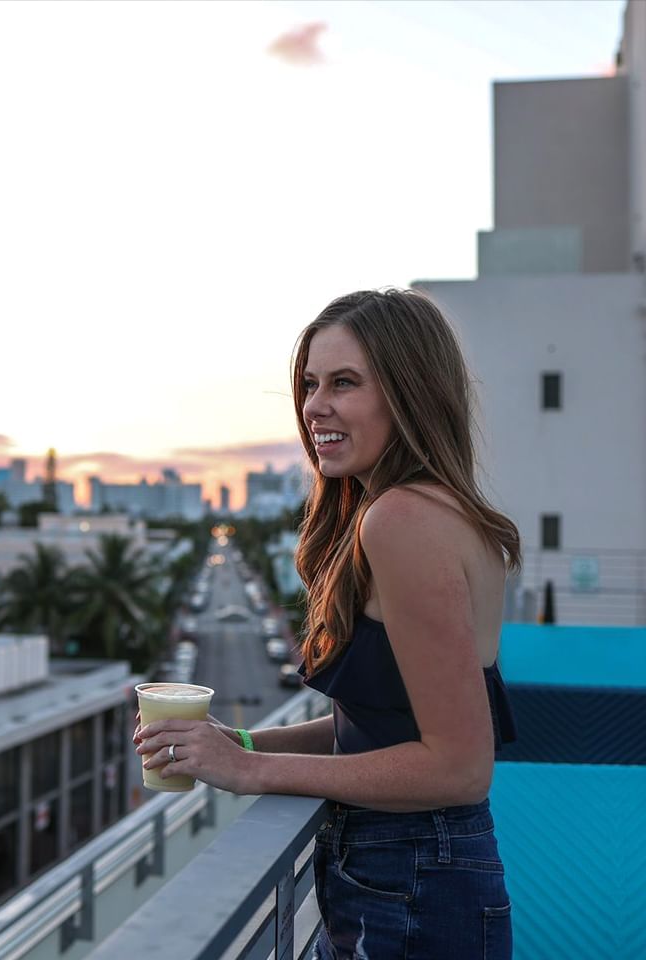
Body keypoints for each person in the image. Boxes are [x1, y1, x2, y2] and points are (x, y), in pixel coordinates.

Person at [134, 288, 520, 959]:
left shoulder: (401, 521)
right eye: (311, 384)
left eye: (345, 383)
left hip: (411, 884)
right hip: (417, 877)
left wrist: (254, 775)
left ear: (409, 392)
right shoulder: (437, 509)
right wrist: (247, 743)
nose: (316, 406)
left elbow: (459, 766)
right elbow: (380, 721)